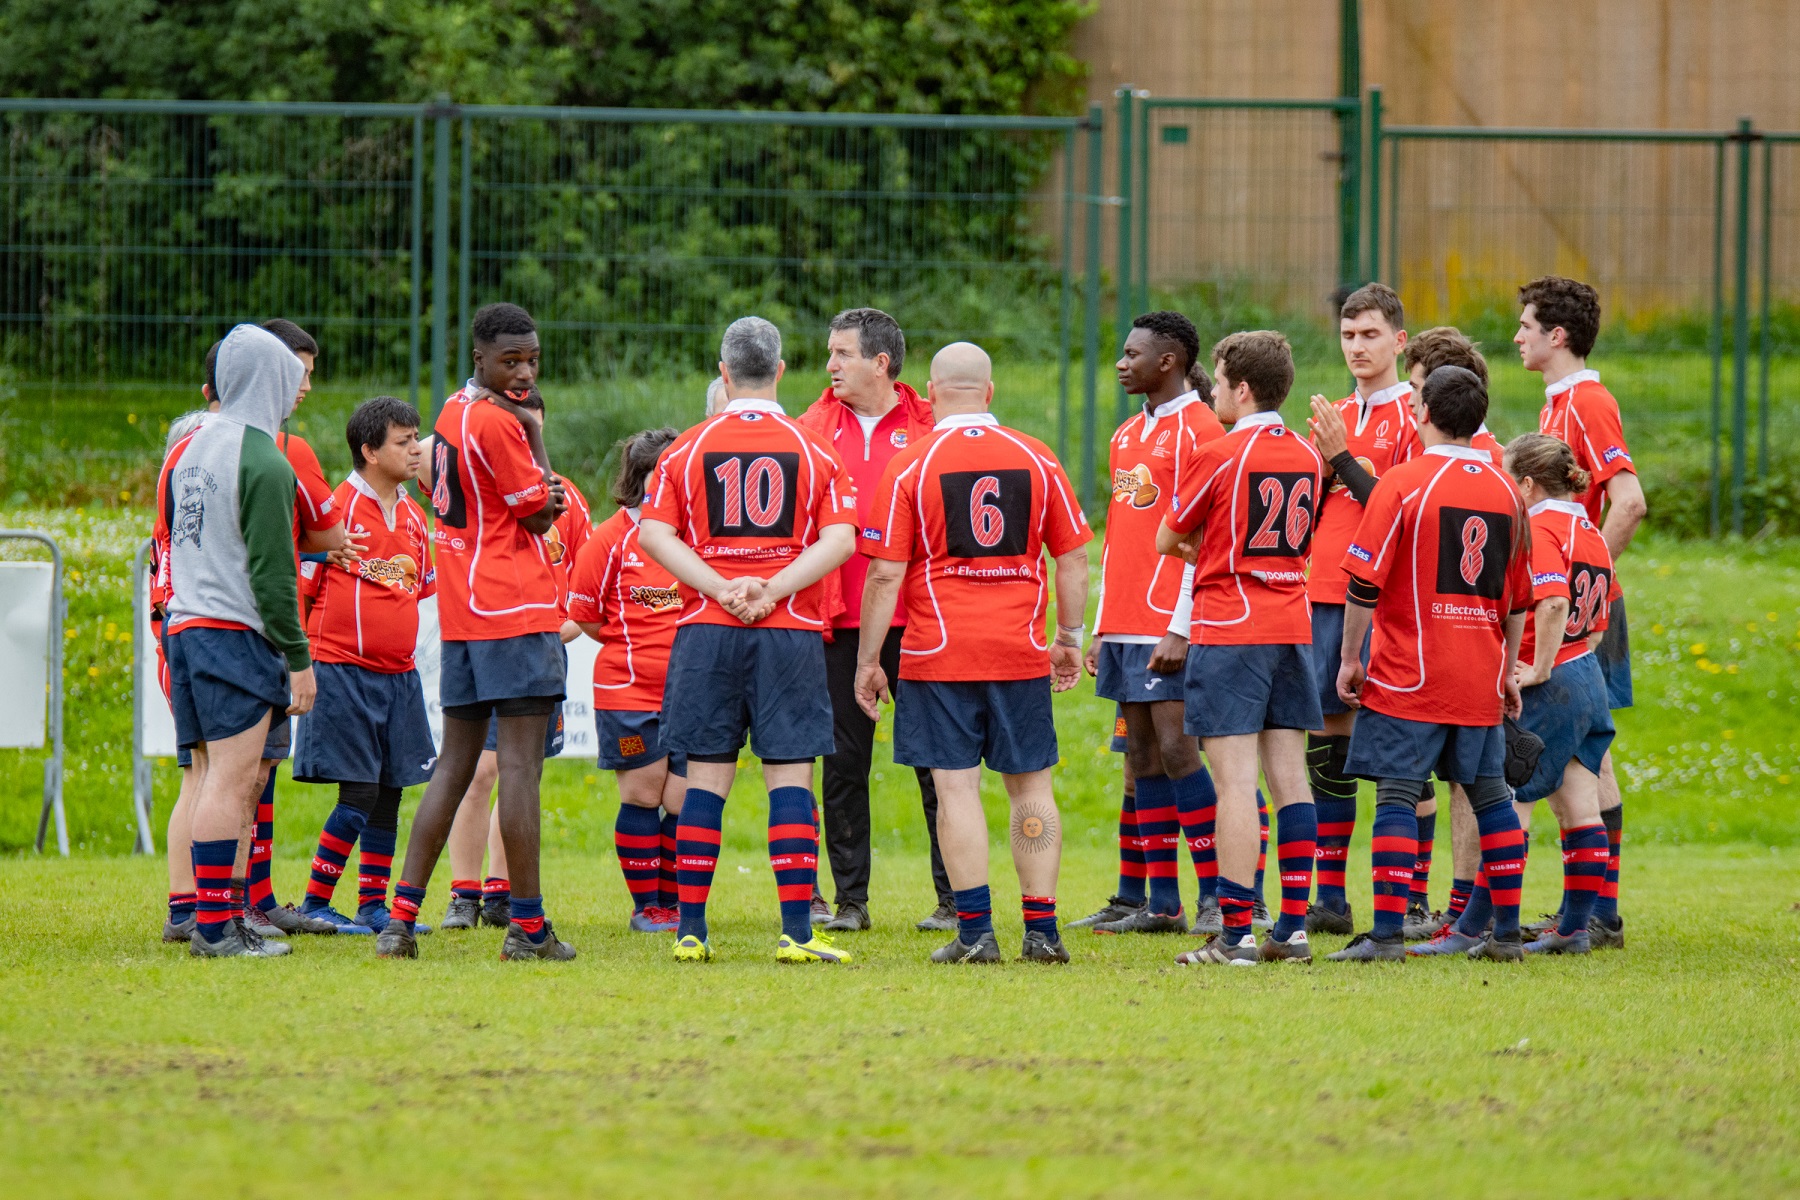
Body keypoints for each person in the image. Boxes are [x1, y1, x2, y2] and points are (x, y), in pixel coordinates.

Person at [855, 341, 1091, 965]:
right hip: (1019, 650)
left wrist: (868, 661)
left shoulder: (913, 463)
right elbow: (1071, 556)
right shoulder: (1037, 458)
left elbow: (883, 575)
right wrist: (1068, 637)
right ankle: (1042, 932)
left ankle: (976, 933)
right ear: (989, 393)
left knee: (955, 789)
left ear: (929, 394)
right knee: (1031, 788)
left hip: (938, 654)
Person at [638, 316, 859, 965]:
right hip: (787, 633)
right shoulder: (816, 448)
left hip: (707, 631)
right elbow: (841, 540)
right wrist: (773, 589)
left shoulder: (686, 449)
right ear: (782, 371)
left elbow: (654, 534)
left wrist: (720, 588)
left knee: (705, 778)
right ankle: (795, 932)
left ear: (724, 372)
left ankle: (691, 932)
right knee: (790, 774)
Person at [376, 302, 575, 962]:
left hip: (463, 615)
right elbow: (544, 514)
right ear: (480, 358)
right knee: (518, 769)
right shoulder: (499, 424)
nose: (522, 372)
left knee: (455, 767)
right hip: (514, 612)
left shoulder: (451, 415)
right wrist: (535, 435)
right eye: (510, 360)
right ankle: (528, 927)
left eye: (532, 360)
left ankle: (399, 919)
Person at [1328, 365, 1534, 963]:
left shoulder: (1400, 483)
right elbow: (1518, 599)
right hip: (1478, 672)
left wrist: (1348, 658)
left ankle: (1388, 936)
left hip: (1408, 671)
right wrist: (1504, 672)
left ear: (1420, 412)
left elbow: (1365, 584)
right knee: (1492, 796)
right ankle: (1509, 935)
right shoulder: (1505, 490)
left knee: (1396, 793)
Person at [1156, 331, 1323, 965]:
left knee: (1234, 786)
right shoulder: (1308, 454)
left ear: (1242, 389)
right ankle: (1294, 928)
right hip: (1291, 626)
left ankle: (1235, 936)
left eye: (1219, 380)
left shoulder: (1220, 451)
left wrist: (1204, 546)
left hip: (1231, 630)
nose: (1214, 390)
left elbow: (1168, 538)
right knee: (1290, 781)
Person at [162, 323, 316, 958]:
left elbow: (173, 532)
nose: (299, 385)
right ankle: (217, 928)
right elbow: (275, 576)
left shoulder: (191, 446)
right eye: (292, 374)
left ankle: (213, 916)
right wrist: (300, 659)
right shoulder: (264, 458)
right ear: (272, 379)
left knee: (216, 777)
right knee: (231, 779)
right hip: (234, 635)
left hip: (186, 627)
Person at [796, 307, 951, 934]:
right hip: (837, 622)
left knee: (940, 764)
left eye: (841, 354)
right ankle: (850, 901)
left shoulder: (932, 426)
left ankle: (952, 899)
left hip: (917, 623)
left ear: (880, 363)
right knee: (843, 764)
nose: (829, 366)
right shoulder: (810, 426)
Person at [1071, 312, 1223, 936]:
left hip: (1169, 624)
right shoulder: (1126, 435)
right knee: (1141, 757)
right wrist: (1103, 622)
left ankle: (1216, 895)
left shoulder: (1203, 431)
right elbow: (1120, 540)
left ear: (1170, 361)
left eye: (1133, 353)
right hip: (1126, 623)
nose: (1120, 362)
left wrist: (1181, 627)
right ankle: (1161, 904)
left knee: (1180, 751)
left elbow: (1203, 542)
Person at [1518, 276, 1644, 947]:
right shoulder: (1557, 405)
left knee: (1582, 758)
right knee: (1591, 758)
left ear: (1555, 335)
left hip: (1580, 611)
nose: (1517, 337)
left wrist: (1587, 578)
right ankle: (1597, 911)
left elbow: (1628, 499)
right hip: (1571, 603)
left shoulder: (1588, 403)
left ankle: (1595, 913)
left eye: (1526, 325)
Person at [435, 384, 588, 931]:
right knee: (477, 770)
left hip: (535, 641)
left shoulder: (565, 498)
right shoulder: (478, 485)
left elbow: (583, 592)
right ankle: (463, 892)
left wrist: (552, 630)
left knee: (519, 773)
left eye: (530, 429)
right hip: (491, 636)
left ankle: (504, 891)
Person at [291, 397, 439, 934]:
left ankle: (374, 905)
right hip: (341, 669)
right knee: (357, 793)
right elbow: (303, 588)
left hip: (398, 676)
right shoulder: (333, 511)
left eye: (415, 438)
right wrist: (301, 662)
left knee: (389, 793)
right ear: (369, 450)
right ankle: (314, 901)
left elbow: (417, 592)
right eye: (403, 441)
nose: (416, 449)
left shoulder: (417, 519)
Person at [1303, 283, 1424, 939]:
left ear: (1399, 342)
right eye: (1349, 336)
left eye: (1371, 335)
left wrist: (1340, 457)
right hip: (1323, 593)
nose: (1357, 347)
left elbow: (1401, 510)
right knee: (1327, 739)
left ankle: (1412, 897)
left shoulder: (1413, 417)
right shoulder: (1337, 413)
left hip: (1386, 601)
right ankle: (1330, 895)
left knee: (1400, 741)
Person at [1470, 433, 1616, 955]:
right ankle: (1574, 930)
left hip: (1552, 682)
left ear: (1527, 483)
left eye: (1510, 477)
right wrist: (1572, 658)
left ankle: (1489, 929)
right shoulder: (1589, 529)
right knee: (1579, 804)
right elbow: (1599, 622)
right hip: (1588, 676)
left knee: (1512, 802)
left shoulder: (1541, 525)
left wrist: (1539, 668)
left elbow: (1552, 602)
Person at [567, 427, 688, 933]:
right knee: (643, 795)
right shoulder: (611, 538)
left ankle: (674, 902)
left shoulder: (695, 537)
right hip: (629, 692)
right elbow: (590, 618)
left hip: (693, 692)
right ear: (650, 478)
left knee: (684, 801)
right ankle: (647, 908)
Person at [1400, 325, 1499, 934]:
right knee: (1465, 781)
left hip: (1453, 649)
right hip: (1466, 647)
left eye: (1417, 390)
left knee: (1474, 784)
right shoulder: (1492, 467)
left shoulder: (1484, 466)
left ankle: (1466, 911)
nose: (1411, 405)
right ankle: (1472, 913)